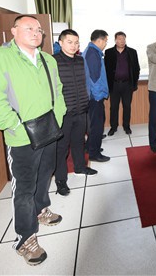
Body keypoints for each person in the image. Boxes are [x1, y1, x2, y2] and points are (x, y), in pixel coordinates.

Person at [0, 15, 65, 266]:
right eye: (29, 28)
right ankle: (25, 238)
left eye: (38, 29)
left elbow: (58, 90)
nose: (36, 33)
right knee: (24, 188)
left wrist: (58, 116)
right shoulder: (0, 61)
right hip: (21, 137)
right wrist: (14, 125)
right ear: (14, 31)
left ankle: (41, 209)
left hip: (49, 129)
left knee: (44, 175)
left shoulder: (48, 59)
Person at [53, 29, 97, 196]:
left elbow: (85, 83)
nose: (74, 46)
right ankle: (61, 181)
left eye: (76, 42)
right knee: (62, 148)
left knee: (79, 142)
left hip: (81, 110)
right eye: (70, 42)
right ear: (61, 43)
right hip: (64, 113)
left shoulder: (80, 60)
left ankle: (80, 167)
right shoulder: (53, 61)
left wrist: (86, 101)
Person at [105, 31, 140, 136]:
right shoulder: (109, 52)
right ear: (115, 40)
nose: (122, 41)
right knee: (114, 107)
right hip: (114, 85)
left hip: (127, 84)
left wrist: (134, 82)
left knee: (127, 106)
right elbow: (106, 69)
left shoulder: (132, 52)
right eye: (119, 39)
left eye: (123, 39)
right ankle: (113, 127)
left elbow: (137, 68)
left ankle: (126, 126)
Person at [84, 29, 110, 163]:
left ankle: (90, 147)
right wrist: (99, 95)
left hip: (94, 95)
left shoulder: (92, 51)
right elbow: (94, 79)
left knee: (94, 124)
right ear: (99, 40)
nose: (105, 44)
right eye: (105, 41)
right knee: (97, 125)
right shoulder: (93, 54)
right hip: (95, 96)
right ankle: (94, 153)